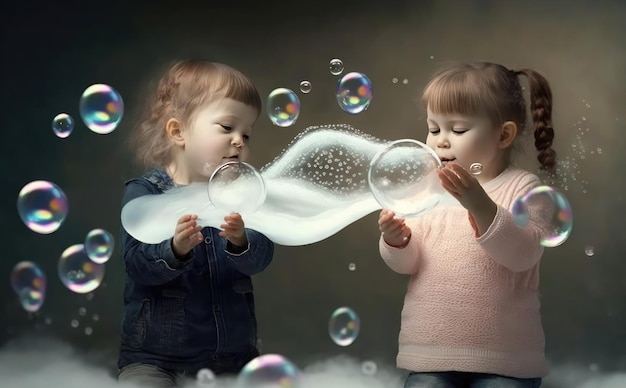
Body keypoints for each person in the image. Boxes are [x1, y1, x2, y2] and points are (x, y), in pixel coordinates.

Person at [378, 62, 557, 388]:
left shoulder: (522, 188)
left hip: (506, 359)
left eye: (457, 130)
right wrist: (396, 241)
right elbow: (409, 264)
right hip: (432, 354)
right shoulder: (425, 189)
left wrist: (479, 204)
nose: (441, 142)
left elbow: (522, 253)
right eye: (434, 129)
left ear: (503, 135)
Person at [117, 60, 274, 387]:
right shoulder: (146, 193)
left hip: (232, 358)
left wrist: (240, 242)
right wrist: (174, 250)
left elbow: (262, 256)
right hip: (158, 360)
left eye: (246, 133)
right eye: (227, 127)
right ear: (178, 131)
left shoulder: (241, 194)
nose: (239, 141)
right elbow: (135, 265)